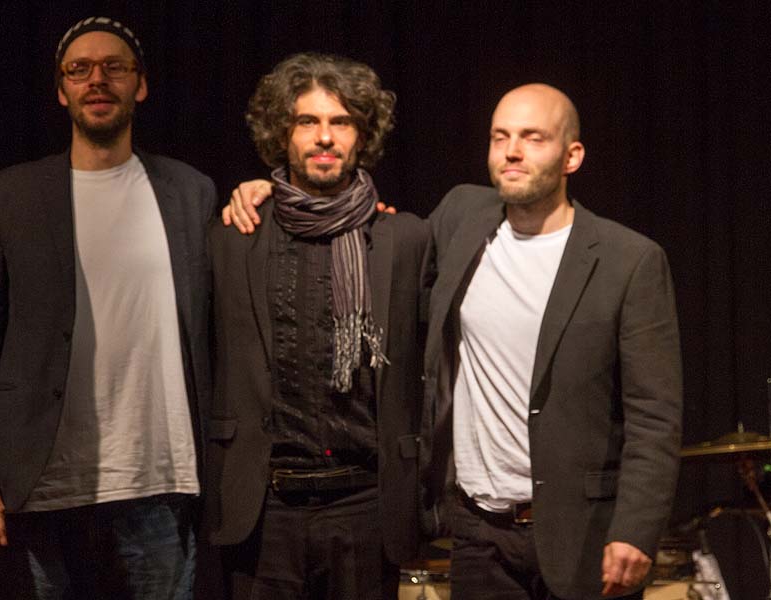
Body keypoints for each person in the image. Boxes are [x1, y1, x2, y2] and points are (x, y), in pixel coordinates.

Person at [223, 83, 683, 599]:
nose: (512, 151)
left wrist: (636, 528)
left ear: (571, 156)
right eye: (500, 137)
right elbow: (367, 228)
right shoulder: (461, 217)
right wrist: (270, 189)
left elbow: (654, 414)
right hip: (477, 533)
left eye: (533, 138)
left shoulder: (629, 259)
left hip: (582, 531)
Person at [0, 16, 216, 599]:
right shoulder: (11, 194)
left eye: (114, 67)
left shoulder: (191, 191)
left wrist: (261, 193)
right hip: (39, 491)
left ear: (140, 84)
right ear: (61, 89)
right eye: (80, 69)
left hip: (160, 488)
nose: (97, 80)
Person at [205, 53, 428, 599]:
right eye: (307, 121)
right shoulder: (233, 237)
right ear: (282, 133)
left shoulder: (404, 239)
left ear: (362, 135)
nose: (324, 137)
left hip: (366, 506)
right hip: (264, 510)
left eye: (341, 121)